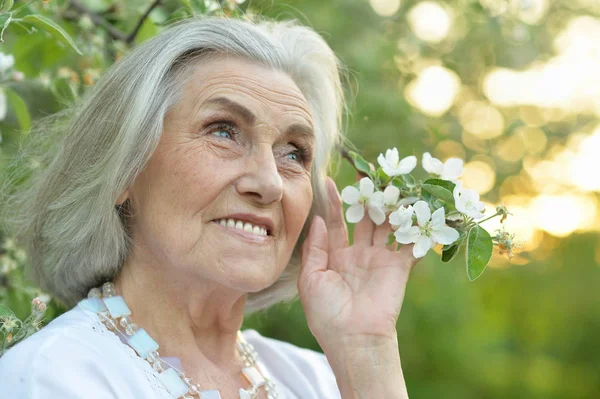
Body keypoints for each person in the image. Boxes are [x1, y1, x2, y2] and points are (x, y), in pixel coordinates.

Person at [0, 16, 419, 398]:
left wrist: (366, 351)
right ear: (124, 168)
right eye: (223, 131)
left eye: (293, 153)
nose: (270, 183)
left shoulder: (322, 381)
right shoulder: (53, 376)